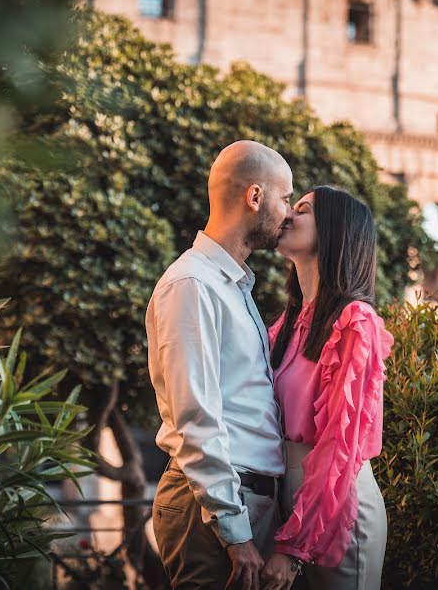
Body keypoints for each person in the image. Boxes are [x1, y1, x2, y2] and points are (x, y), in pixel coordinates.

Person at [145, 140, 294, 589]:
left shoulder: (231, 285)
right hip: (210, 512)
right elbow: (196, 418)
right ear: (254, 197)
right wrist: (235, 532)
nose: (289, 213)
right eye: (285, 198)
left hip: (241, 505)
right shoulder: (192, 284)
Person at [260, 185, 395, 590]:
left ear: (335, 230)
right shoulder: (289, 323)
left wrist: (292, 547)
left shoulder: (356, 322)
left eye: (302, 209)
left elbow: (340, 445)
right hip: (289, 505)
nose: (287, 214)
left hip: (340, 514)